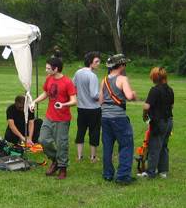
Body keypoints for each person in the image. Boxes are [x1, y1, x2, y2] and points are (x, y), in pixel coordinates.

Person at [31, 56, 77, 179]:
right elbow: (46, 93)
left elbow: (74, 101)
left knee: (62, 144)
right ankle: (56, 160)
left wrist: (63, 104)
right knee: (42, 140)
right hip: (49, 116)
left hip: (62, 119)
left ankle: (62, 168)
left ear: (56, 69)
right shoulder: (49, 79)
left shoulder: (67, 82)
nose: (46, 70)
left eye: (48, 68)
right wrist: (34, 102)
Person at [99, 53, 138, 185]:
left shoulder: (104, 80)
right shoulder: (122, 79)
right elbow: (128, 95)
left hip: (105, 117)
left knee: (107, 146)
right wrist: (133, 94)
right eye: (124, 64)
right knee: (126, 145)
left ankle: (108, 174)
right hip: (119, 117)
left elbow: (100, 100)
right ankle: (122, 176)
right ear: (121, 65)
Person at [140, 67, 175, 179]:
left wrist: (145, 115)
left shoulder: (154, 90)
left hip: (159, 122)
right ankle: (163, 171)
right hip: (169, 121)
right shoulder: (170, 90)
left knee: (154, 146)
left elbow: (146, 106)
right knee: (164, 146)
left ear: (155, 78)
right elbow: (172, 106)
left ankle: (150, 172)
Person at [73, 51, 102, 162]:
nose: (99, 63)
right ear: (90, 62)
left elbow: (73, 86)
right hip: (94, 109)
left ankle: (79, 156)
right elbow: (94, 95)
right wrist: (102, 94)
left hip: (81, 108)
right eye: (96, 61)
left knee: (81, 130)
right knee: (94, 132)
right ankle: (93, 157)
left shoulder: (78, 72)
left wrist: (80, 96)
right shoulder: (92, 76)